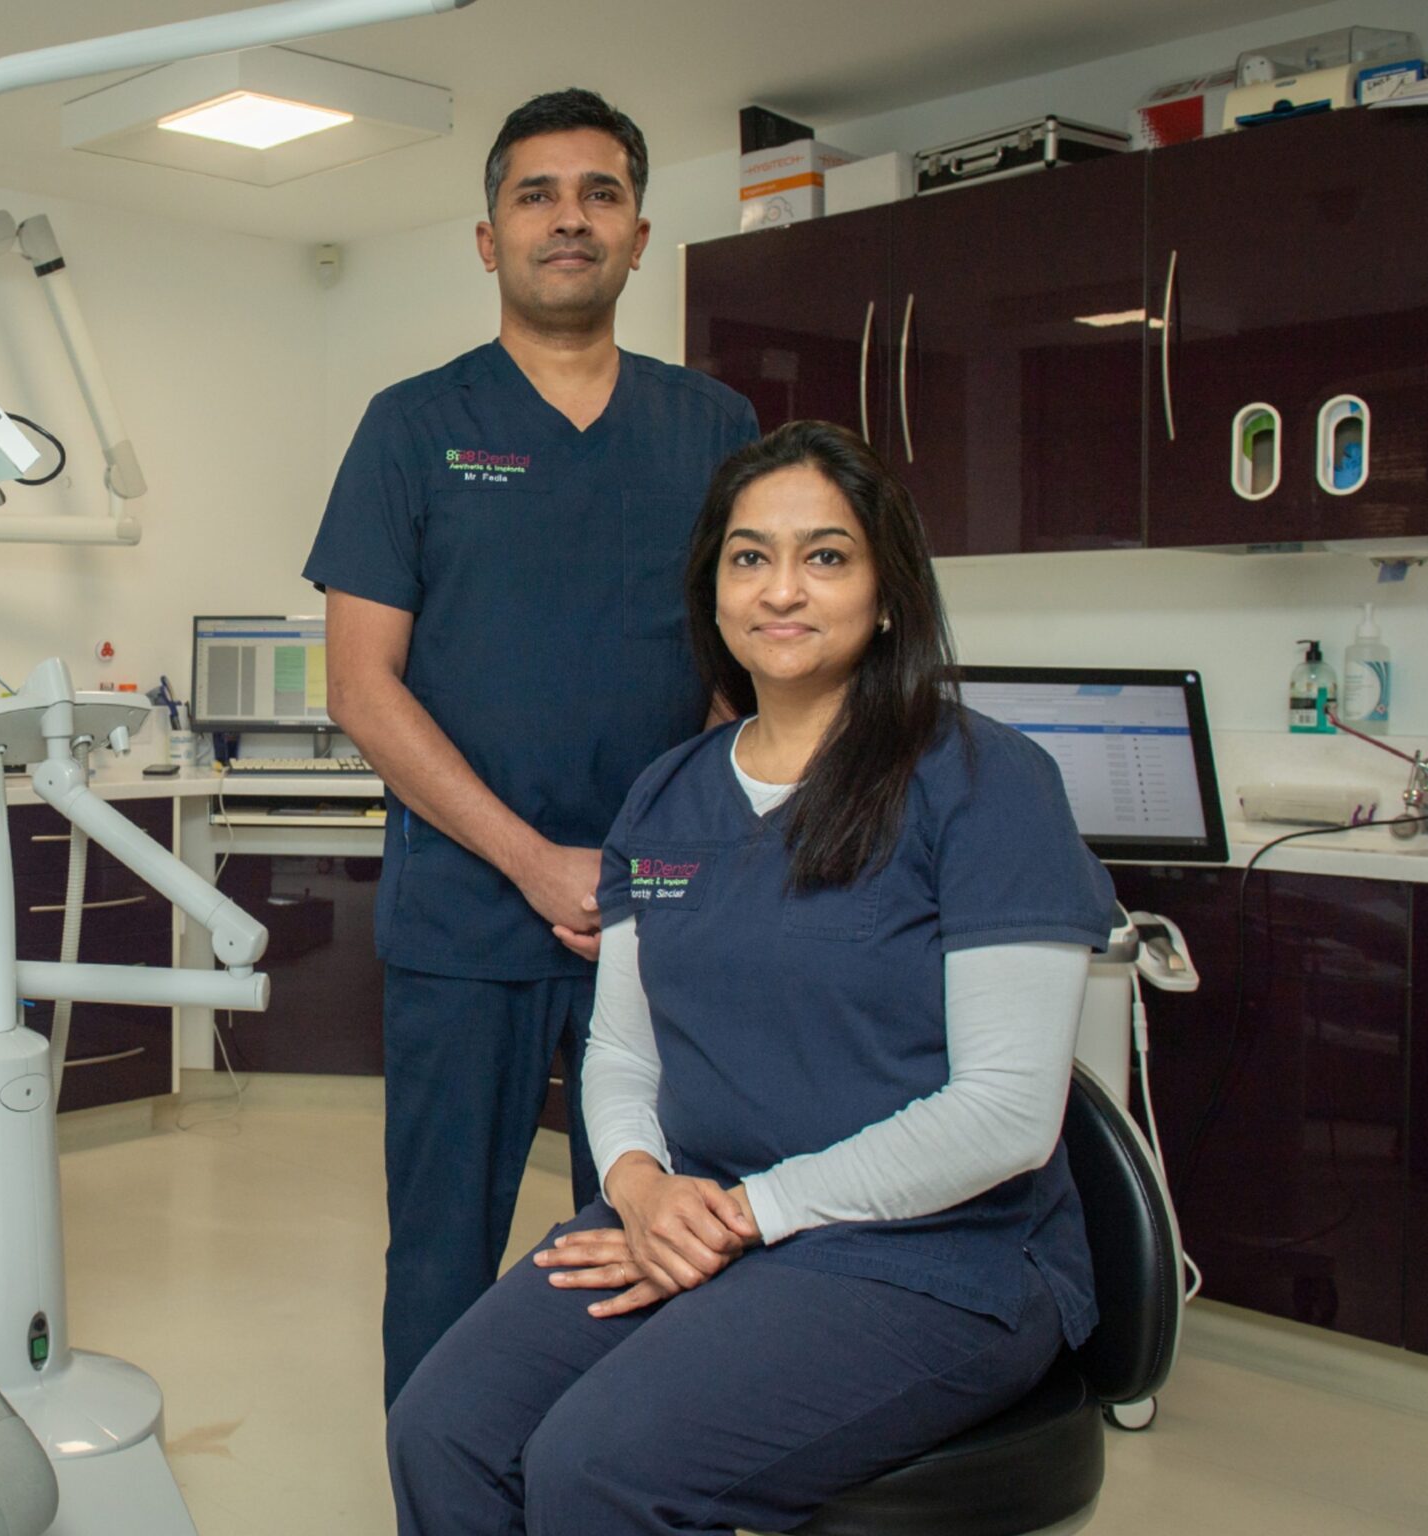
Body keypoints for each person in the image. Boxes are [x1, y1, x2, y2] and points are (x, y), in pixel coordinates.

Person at [386, 420, 1117, 1535]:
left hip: (930, 1255)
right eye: (748, 556)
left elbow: (1008, 1116)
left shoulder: (987, 784)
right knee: (442, 1426)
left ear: (886, 592)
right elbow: (624, 1050)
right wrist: (636, 1187)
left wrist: (746, 1214)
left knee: (597, 1465)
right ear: (713, 593)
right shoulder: (667, 797)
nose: (782, 589)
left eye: (825, 555)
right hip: (693, 1213)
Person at [306, 87, 758, 1406]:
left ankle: (609, 1486)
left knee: (646, 1246)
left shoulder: (715, 431)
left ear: (639, 233)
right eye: (538, 195)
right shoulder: (412, 426)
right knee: (442, 1256)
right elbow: (360, 685)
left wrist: (672, 860)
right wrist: (534, 862)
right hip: (465, 920)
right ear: (489, 238)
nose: (571, 218)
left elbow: (751, 673)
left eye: (600, 193)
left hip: (664, 917)